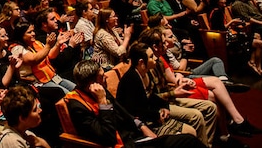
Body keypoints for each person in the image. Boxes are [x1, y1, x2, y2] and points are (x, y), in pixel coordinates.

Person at [66, 59, 206, 148]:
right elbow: (107, 137)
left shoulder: (100, 88)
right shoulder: (78, 106)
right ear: (93, 83)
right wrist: (102, 102)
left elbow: (121, 110)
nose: (106, 76)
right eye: (102, 75)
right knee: (187, 142)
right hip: (125, 144)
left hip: (135, 135)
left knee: (187, 140)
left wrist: (141, 125)